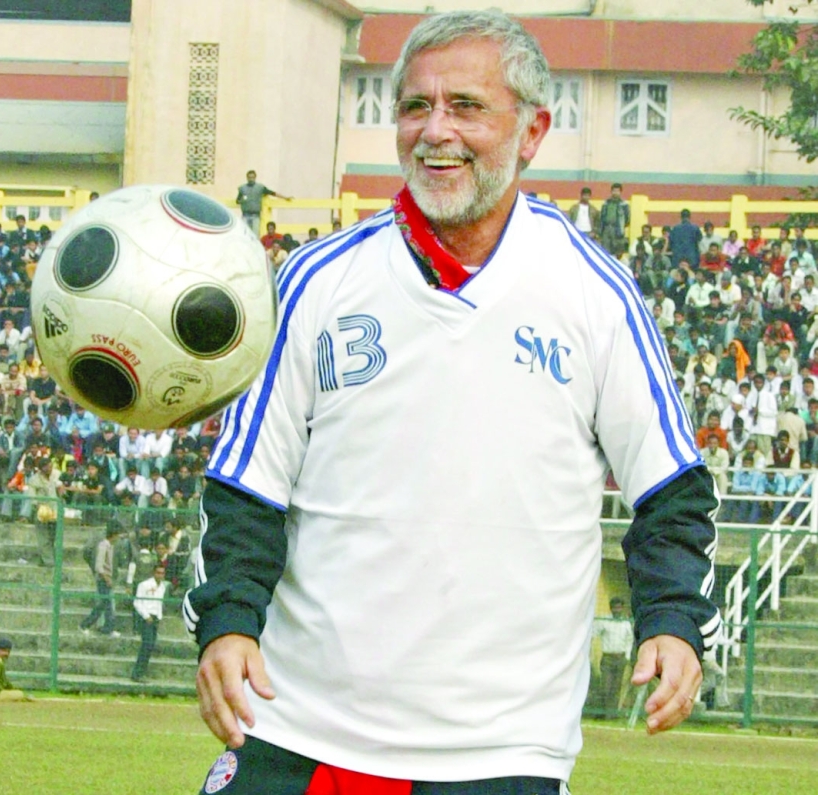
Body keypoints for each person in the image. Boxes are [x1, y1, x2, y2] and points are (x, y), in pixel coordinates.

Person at [186, 11, 719, 793]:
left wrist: (672, 622)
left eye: (466, 106)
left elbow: (670, 488)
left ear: (532, 131)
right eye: (415, 106)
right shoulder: (314, 281)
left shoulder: (594, 292)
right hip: (300, 729)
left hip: (500, 753)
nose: (435, 131)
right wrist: (228, 622)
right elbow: (246, 487)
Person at [591, 596, 634, 718]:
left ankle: (612, 715)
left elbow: (629, 640)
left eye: (619, 607)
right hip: (608, 658)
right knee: (605, 686)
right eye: (615, 607)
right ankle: (601, 713)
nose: (617, 610)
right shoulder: (605, 621)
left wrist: (627, 656)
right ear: (611, 608)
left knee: (616, 688)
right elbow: (593, 633)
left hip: (620, 658)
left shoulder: (626, 623)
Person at [79, 523, 124, 637]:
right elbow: (99, 566)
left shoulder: (110, 546)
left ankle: (108, 628)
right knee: (103, 604)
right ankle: (85, 625)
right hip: (103, 579)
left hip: (108, 578)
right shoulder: (103, 546)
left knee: (107, 605)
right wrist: (107, 579)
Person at [131, 563, 169, 682]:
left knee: (150, 645)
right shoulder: (144, 585)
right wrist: (146, 616)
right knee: (146, 645)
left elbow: (159, 603)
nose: (160, 575)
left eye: (162, 573)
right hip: (146, 617)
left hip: (155, 617)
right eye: (158, 573)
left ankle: (141, 672)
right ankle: (137, 673)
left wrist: (159, 617)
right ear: (153, 573)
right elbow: (137, 602)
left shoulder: (163, 587)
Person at [235, 170, 290, 236]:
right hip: (245, 215)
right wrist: (243, 200)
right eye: (249, 177)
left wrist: (285, 197)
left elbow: (272, 193)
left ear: (255, 178)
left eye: (252, 177)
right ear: (247, 178)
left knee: (255, 235)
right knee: (244, 234)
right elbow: (237, 201)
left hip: (255, 215)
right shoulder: (242, 188)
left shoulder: (260, 187)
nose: (251, 179)